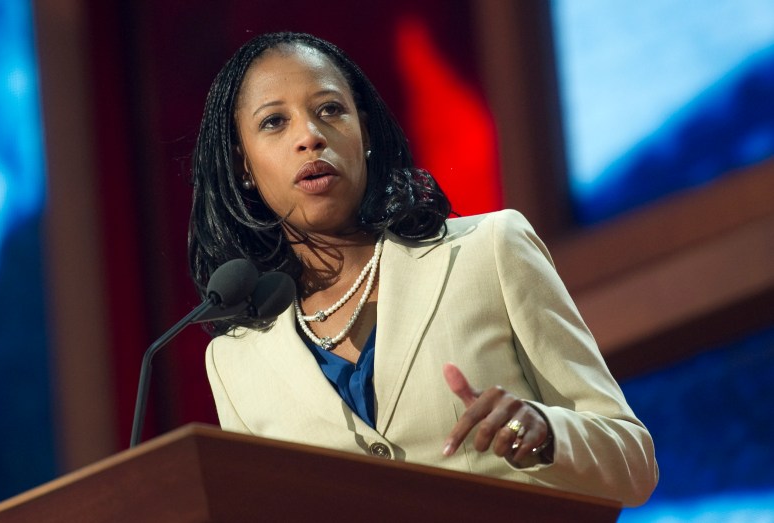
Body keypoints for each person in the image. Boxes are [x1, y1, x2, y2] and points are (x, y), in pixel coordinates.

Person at [188, 31, 658, 507]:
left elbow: (633, 464)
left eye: (330, 110)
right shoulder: (236, 362)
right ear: (242, 165)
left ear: (364, 133)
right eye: (274, 122)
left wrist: (545, 434)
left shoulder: (489, 250)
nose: (309, 136)